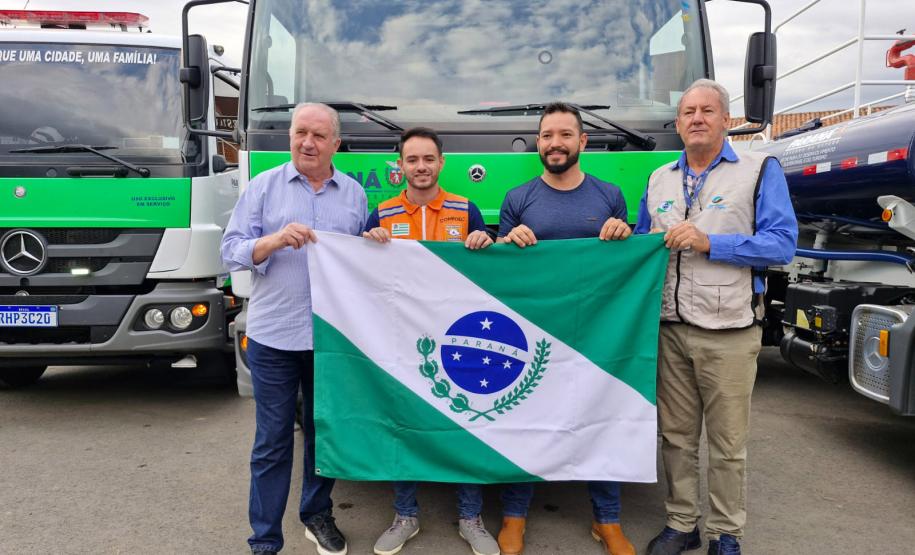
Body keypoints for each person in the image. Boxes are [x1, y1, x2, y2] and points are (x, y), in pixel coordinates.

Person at [633, 79, 797, 555]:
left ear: (727, 119)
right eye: (688, 112)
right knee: (676, 437)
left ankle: (727, 533)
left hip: (729, 331)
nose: (697, 118)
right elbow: (645, 245)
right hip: (670, 329)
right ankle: (681, 523)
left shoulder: (759, 169)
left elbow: (782, 244)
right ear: (679, 123)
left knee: (727, 443)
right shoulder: (659, 178)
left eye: (708, 110)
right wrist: (623, 232)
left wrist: (713, 243)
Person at [221, 103, 368, 555]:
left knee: (324, 436)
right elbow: (230, 250)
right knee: (273, 441)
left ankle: (316, 514)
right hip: (274, 337)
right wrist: (272, 240)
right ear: (290, 137)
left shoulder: (355, 196)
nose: (308, 142)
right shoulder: (264, 188)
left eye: (319, 136)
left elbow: (363, 263)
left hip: (329, 340)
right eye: (300, 132)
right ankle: (264, 539)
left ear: (335, 145)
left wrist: (375, 243)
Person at [496, 102, 635, 555]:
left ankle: (606, 520)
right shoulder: (518, 199)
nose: (555, 143)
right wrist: (505, 240)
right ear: (538, 143)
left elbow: (626, 264)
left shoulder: (610, 195)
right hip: (535, 337)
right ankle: (514, 515)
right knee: (526, 421)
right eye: (546, 135)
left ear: (582, 141)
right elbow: (500, 275)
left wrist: (623, 232)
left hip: (598, 336)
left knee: (603, 420)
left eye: (564, 134)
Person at [363, 127, 496, 555]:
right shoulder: (381, 214)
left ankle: (471, 517)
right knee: (404, 424)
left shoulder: (465, 209)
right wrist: (368, 243)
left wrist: (484, 240)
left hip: (459, 340)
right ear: (399, 166)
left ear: (441, 163)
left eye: (428, 159)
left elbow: (490, 275)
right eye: (412, 160)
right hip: (401, 341)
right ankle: (405, 515)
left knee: (465, 422)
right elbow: (359, 275)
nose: (420, 167)